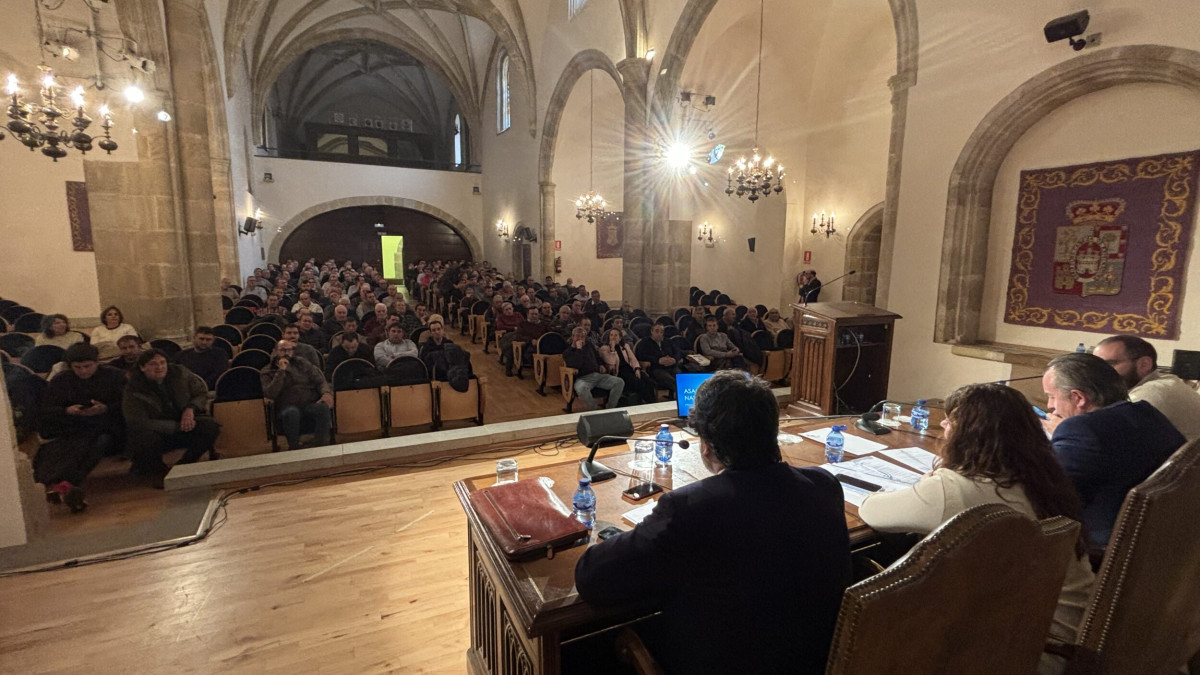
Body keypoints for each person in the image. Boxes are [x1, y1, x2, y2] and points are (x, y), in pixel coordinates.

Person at [575, 371, 851, 674]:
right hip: (816, 661)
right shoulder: (824, 485)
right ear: (773, 430)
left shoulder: (688, 508)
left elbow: (591, 578)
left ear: (705, 445)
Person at [859, 383, 1095, 659]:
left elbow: (872, 510)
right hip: (1068, 635)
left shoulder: (954, 488)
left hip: (1021, 650)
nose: (943, 424)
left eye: (951, 420)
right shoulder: (1044, 478)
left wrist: (931, 481)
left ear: (967, 434)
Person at [1041, 353, 1185, 551]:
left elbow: (1050, 494)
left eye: (1051, 396)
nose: (1049, 405)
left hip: (1102, 547)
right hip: (1161, 540)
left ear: (1078, 398)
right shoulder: (1147, 413)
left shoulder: (1081, 429)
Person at [36, 343, 127, 511]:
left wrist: (106, 408)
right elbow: (47, 409)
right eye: (78, 367)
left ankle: (65, 484)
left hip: (109, 428)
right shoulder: (61, 380)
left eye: (88, 366)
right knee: (73, 446)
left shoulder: (114, 376)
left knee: (99, 442)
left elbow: (128, 404)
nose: (83, 371)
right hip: (74, 428)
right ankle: (65, 484)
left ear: (97, 362)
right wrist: (66, 411)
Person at [123, 350, 220, 488]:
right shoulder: (134, 388)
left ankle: (184, 466)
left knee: (211, 427)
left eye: (162, 362)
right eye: (153, 364)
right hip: (157, 431)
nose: (159, 367)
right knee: (144, 437)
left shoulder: (180, 374)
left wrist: (190, 409)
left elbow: (200, 393)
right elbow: (136, 421)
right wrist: (174, 426)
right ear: (142, 367)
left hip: (184, 421)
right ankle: (159, 473)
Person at [1093, 335, 1200, 441]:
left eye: (1108, 365)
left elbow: (1101, 434)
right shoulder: (1165, 382)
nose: (1098, 372)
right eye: (1095, 366)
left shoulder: (1152, 393)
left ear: (1144, 364)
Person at [260, 341, 333, 450]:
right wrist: (281, 372)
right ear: (275, 351)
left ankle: (321, 447)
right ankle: (294, 448)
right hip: (285, 408)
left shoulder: (302, 363)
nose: (286, 353)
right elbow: (270, 394)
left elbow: (320, 381)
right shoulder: (267, 371)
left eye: (289, 350)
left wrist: (326, 393)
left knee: (322, 408)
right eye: (283, 350)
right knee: (292, 412)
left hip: (308, 404)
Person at [562, 326, 624, 410]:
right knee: (581, 388)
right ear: (573, 337)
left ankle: (610, 408)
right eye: (577, 336)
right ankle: (594, 410)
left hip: (597, 375)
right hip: (582, 378)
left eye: (582, 336)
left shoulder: (589, 346)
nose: (580, 338)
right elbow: (576, 365)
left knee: (619, 382)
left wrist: (601, 365)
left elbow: (598, 357)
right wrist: (579, 349)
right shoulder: (568, 352)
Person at [598, 328, 656, 404]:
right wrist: (612, 349)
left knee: (648, 381)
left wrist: (637, 369)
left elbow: (632, 358)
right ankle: (650, 403)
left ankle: (652, 402)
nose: (613, 337)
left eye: (616, 335)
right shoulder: (604, 349)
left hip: (629, 368)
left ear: (620, 338)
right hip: (618, 372)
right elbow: (611, 363)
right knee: (638, 383)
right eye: (611, 335)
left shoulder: (625, 346)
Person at [636, 323, 682, 398]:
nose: (659, 334)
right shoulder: (644, 342)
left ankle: (675, 397)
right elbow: (641, 356)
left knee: (680, 378)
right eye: (657, 331)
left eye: (662, 332)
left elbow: (678, 352)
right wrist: (658, 360)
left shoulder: (668, 341)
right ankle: (681, 398)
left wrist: (674, 359)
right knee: (670, 380)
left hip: (671, 366)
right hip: (655, 368)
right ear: (652, 331)